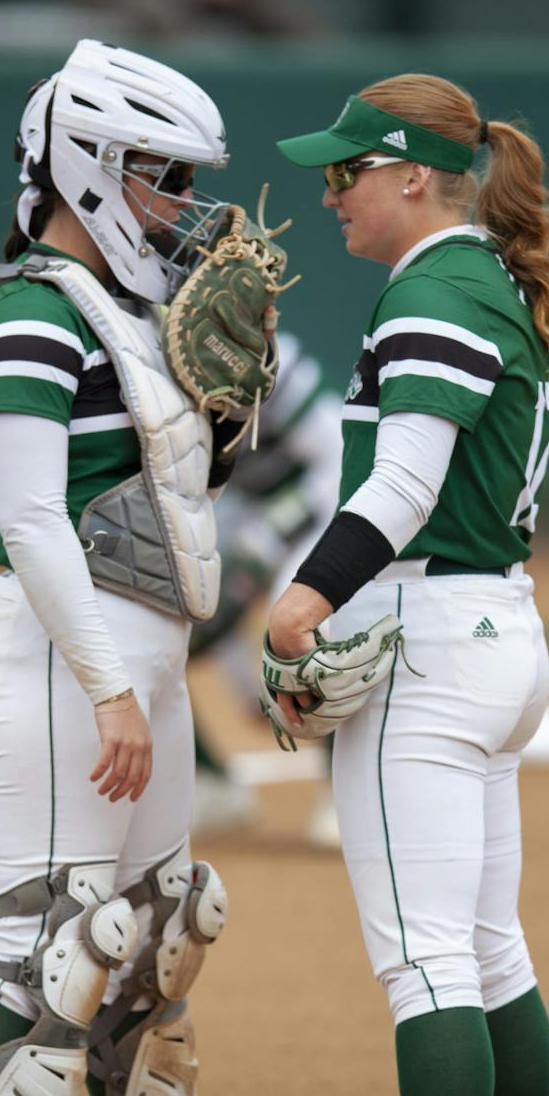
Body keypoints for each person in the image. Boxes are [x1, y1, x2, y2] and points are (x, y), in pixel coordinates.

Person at [265, 74, 549, 1095]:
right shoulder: (486, 277)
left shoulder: (434, 289)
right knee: (488, 953)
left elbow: (405, 484)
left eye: (348, 172)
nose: (330, 194)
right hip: (493, 633)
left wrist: (303, 601)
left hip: (433, 639)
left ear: (411, 176)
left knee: (426, 964)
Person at [0, 40, 239, 1096]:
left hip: (138, 666)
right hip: (65, 667)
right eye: (165, 179)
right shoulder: (28, 313)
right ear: (88, 165)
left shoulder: (135, 313)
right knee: (47, 958)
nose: (183, 206)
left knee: (154, 953)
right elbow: (31, 522)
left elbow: (173, 494)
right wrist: (110, 687)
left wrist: (224, 423)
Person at [187, 329, 346, 844]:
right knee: (156, 628)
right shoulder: (159, 361)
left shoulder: (275, 357)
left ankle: (342, 795)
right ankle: (210, 784)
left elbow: (333, 464)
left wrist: (270, 537)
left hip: (323, 492)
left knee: (312, 626)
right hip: (237, 505)